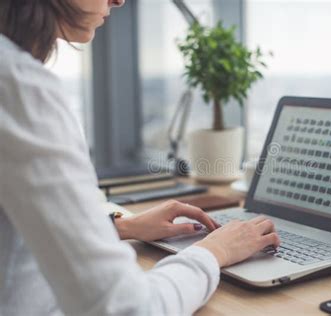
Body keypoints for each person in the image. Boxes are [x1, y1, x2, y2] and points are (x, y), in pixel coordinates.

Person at [0, 1, 280, 315]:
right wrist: (215, 250)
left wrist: (121, 229)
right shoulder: (18, 90)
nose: (119, 0)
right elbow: (130, 310)